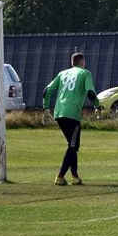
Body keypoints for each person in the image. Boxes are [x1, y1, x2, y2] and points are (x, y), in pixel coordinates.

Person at [43, 52, 102, 185]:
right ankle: (60, 177)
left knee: (72, 145)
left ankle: (75, 177)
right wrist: (98, 106)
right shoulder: (85, 73)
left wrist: (46, 108)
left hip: (59, 113)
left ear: (72, 63)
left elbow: (46, 90)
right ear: (82, 62)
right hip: (72, 114)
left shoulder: (62, 73)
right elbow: (90, 93)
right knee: (73, 146)